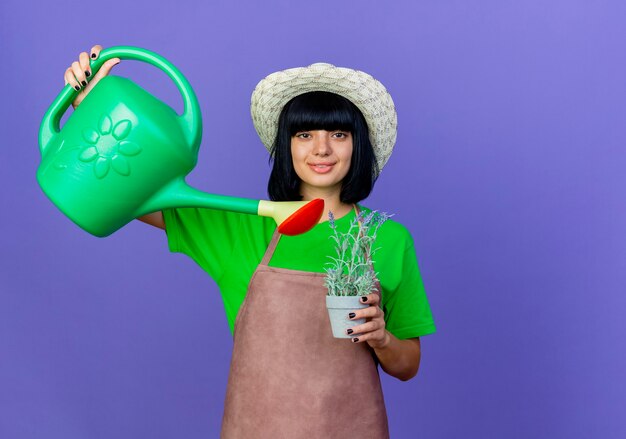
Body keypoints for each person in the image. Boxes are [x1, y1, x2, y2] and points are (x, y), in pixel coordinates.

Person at [65, 45, 436, 438]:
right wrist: (90, 107)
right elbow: (133, 195)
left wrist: (381, 337)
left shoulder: (388, 239)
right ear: (286, 145)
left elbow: (407, 365)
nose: (321, 148)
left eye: (339, 134)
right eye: (304, 133)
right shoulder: (242, 228)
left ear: (357, 145)